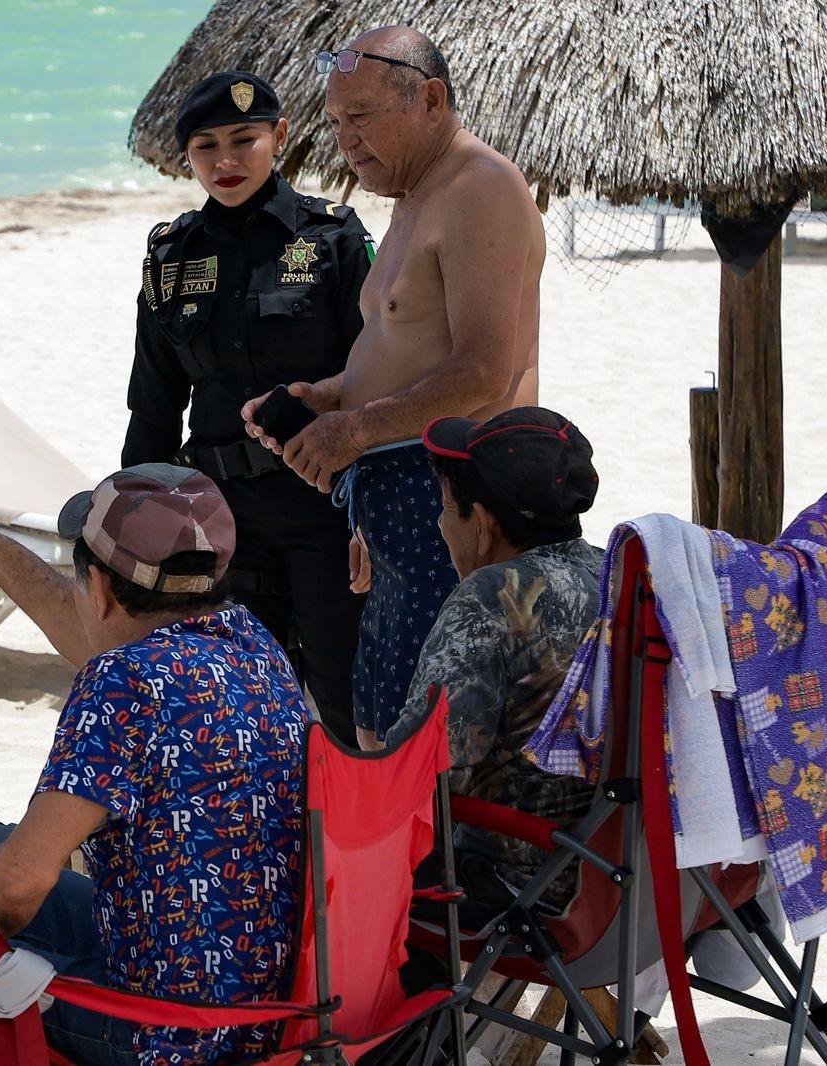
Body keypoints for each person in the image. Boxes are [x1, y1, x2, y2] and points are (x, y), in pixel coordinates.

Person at [0, 465, 309, 1065]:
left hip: (170, 1035)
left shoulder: (122, 682)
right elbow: (102, 635)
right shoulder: (253, 646)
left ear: (97, 589)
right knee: (36, 903)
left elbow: (18, 882)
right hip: (261, 1004)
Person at [243, 25, 546, 750]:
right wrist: (330, 394)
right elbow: (412, 349)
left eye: (363, 117)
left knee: (430, 739)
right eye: (336, 122)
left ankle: (437, 867)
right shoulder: (416, 195)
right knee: (380, 721)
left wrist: (353, 431)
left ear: (430, 100)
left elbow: (483, 371)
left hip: (454, 493)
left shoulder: (480, 187)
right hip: (395, 493)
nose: (345, 140)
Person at [123, 70, 373, 741]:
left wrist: (371, 521)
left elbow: (376, 382)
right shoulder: (170, 258)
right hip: (219, 526)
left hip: (326, 515)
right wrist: (127, 527)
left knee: (348, 708)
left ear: (280, 137)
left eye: (244, 140)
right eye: (206, 147)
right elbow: (153, 407)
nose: (226, 161)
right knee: (231, 712)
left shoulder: (334, 240)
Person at [385, 407, 601, 927]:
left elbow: (420, 767)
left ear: (481, 525)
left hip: (524, 883)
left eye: (445, 508)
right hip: (621, 876)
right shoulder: (618, 572)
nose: (440, 524)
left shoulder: (493, 596)